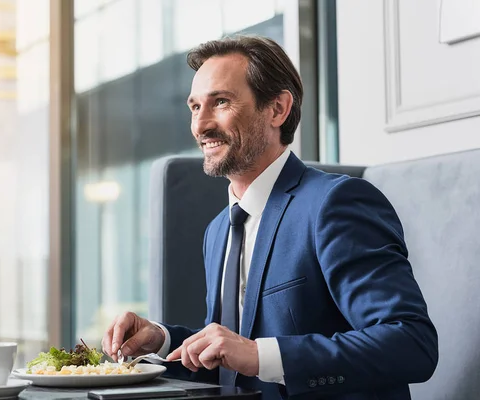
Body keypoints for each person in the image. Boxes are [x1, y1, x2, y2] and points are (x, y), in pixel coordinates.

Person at [101, 35, 438, 400]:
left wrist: (260, 355)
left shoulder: (335, 203)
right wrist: (163, 340)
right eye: (195, 107)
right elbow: (233, 357)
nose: (201, 125)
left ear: (277, 109)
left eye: (221, 102)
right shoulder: (218, 230)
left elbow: (410, 344)